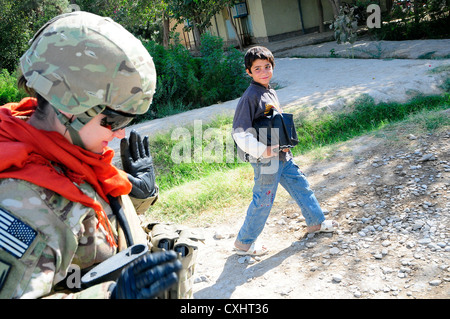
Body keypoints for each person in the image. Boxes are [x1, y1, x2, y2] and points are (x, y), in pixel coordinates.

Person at [0, 11, 181, 299]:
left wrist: (139, 197)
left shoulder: (75, 158)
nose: (120, 133)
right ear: (71, 108)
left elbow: (87, 232)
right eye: (115, 121)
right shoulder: (20, 206)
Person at [232, 46, 338, 256]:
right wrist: (264, 151)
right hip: (267, 160)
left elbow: (274, 123)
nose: (264, 71)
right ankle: (244, 243)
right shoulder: (250, 97)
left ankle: (316, 222)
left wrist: (284, 142)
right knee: (263, 199)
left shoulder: (269, 91)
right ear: (248, 72)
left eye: (267, 67)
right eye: (257, 68)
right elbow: (240, 133)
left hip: (282, 155)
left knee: (301, 185)